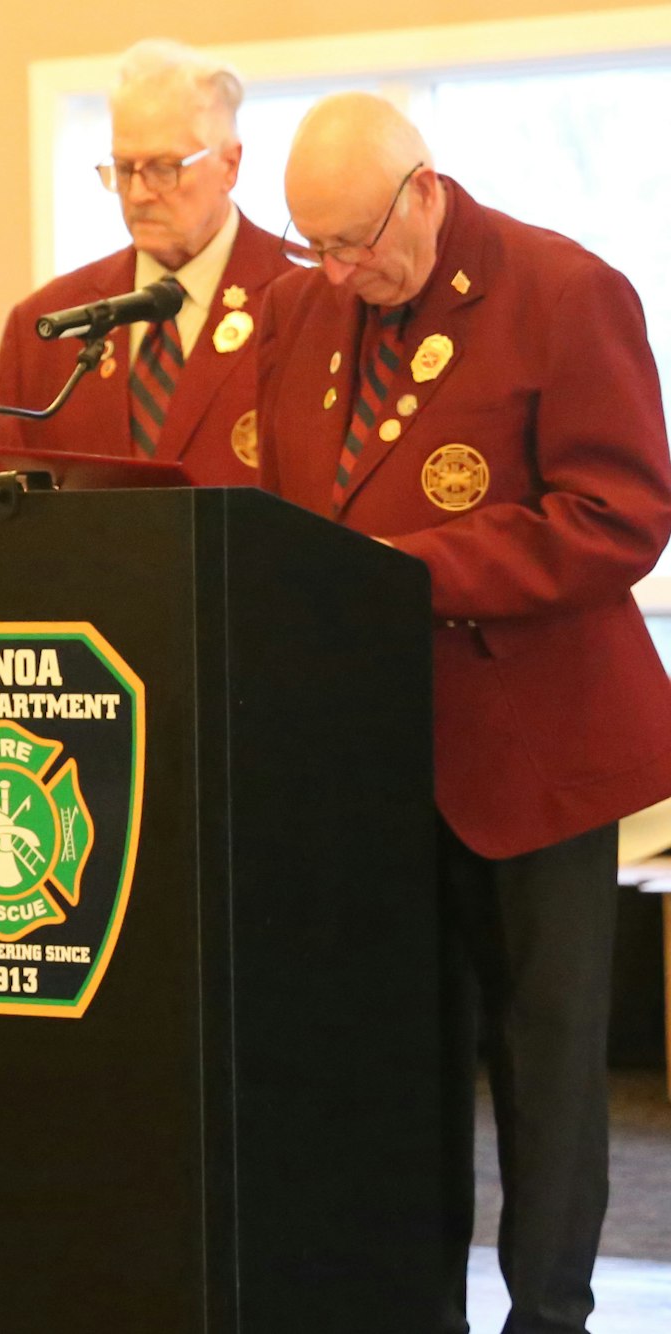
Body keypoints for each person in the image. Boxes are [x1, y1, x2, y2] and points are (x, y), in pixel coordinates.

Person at [256, 92, 671, 1334]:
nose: (337, 271)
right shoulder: (299, 307)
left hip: (532, 754)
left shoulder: (562, 289)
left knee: (541, 1059)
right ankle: (405, 1296)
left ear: (423, 190)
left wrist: (417, 566)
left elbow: (620, 517)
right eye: (310, 245)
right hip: (371, 756)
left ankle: (546, 1311)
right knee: (398, 1056)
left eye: (354, 241)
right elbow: (282, 504)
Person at [0, 39, 290, 483]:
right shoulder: (45, 327)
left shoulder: (301, 305)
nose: (139, 193)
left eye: (165, 168)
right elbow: (4, 512)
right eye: (124, 168)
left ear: (229, 165)